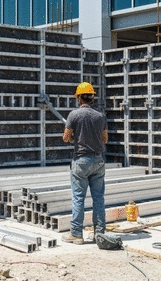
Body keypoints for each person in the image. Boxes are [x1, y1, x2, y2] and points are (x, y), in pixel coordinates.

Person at [61, 82, 108, 245]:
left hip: (81, 161)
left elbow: (66, 138)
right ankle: (100, 234)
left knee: (78, 198)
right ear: (92, 98)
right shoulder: (100, 116)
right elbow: (104, 139)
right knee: (99, 199)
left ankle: (76, 234)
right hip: (98, 160)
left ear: (79, 98)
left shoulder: (74, 115)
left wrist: (76, 138)